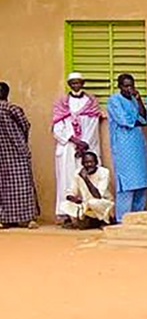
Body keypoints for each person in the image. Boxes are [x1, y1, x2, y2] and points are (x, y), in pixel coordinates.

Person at [52, 72, 102, 222]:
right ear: (69, 85)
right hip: (68, 148)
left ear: (83, 83)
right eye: (73, 83)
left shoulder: (91, 102)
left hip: (87, 147)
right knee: (67, 180)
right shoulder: (62, 103)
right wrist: (74, 140)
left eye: (78, 82)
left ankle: (89, 214)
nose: (76, 85)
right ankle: (67, 214)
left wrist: (83, 144)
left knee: (87, 179)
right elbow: (57, 128)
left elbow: (93, 125)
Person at [108, 74, 147, 223]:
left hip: (138, 143)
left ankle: (137, 217)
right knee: (127, 184)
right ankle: (122, 219)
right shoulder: (114, 101)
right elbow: (125, 120)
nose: (129, 89)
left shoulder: (134, 100)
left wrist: (139, 100)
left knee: (142, 182)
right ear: (119, 86)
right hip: (123, 144)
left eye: (131, 86)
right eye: (126, 86)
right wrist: (140, 122)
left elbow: (145, 119)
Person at [0, 82, 39, 229]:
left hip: (2, 154)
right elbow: (25, 125)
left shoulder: (11, 109)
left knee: (3, 186)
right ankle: (27, 218)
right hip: (17, 152)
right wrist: (21, 140)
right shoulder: (13, 108)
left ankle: (5, 218)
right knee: (22, 185)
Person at [60, 151, 114, 228]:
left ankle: (105, 220)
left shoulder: (104, 172)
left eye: (91, 162)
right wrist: (74, 199)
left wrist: (86, 179)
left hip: (102, 203)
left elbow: (98, 196)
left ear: (96, 162)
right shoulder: (78, 173)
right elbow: (71, 192)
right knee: (64, 205)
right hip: (85, 204)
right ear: (82, 164)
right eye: (86, 162)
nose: (89, 165)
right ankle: (90, 221)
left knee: (93, 202)